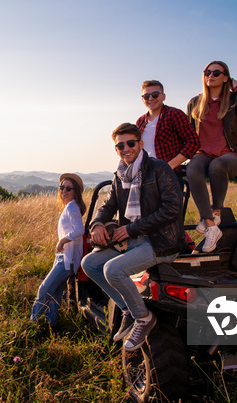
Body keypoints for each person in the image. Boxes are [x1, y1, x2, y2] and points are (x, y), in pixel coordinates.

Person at [81, 123, 184, 352]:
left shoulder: (158, 169)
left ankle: (144, 318)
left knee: (112, 270)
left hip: (160, 242)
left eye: (130, 143)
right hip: (133, 240)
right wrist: (97, 223)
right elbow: (109, 205)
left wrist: (131, 229)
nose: (126, 148)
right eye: (120, 145)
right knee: (89, 263)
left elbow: (172, 209)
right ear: (115, 149)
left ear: (140, 143)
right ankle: (127, 308)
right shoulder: (120, 175)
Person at [186, 60, 237, 253]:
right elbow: (188, 133)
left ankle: (216, 210)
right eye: (207, 72)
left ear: (226, 78)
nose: (210, 75)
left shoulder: (234, 100)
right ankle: (210, 223)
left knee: (217, 166)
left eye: (216, 73)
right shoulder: (195, 102)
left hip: (231, 154)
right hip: (203, 153)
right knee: (192, 168)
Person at [30, 173, 86, 328]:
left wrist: (62, 240)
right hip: (63, 257)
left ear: (75, 191)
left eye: (68, 188)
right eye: (62, 187)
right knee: (55, 293)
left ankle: (31, 323)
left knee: (45, 288)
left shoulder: (72, 207)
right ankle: (51, 325)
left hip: (67, 260)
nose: (64, 190)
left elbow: (79, 230)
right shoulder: (69, 206)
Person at [136, 80, 200, 178]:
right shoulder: (140, 122)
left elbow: (193, 142)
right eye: (146, 96)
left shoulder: (174, 114)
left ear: (163, 96)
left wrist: (168, 167)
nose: (151, 98)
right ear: (142, 99)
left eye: (155, 94)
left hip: (169, 176)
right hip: (146, 175)